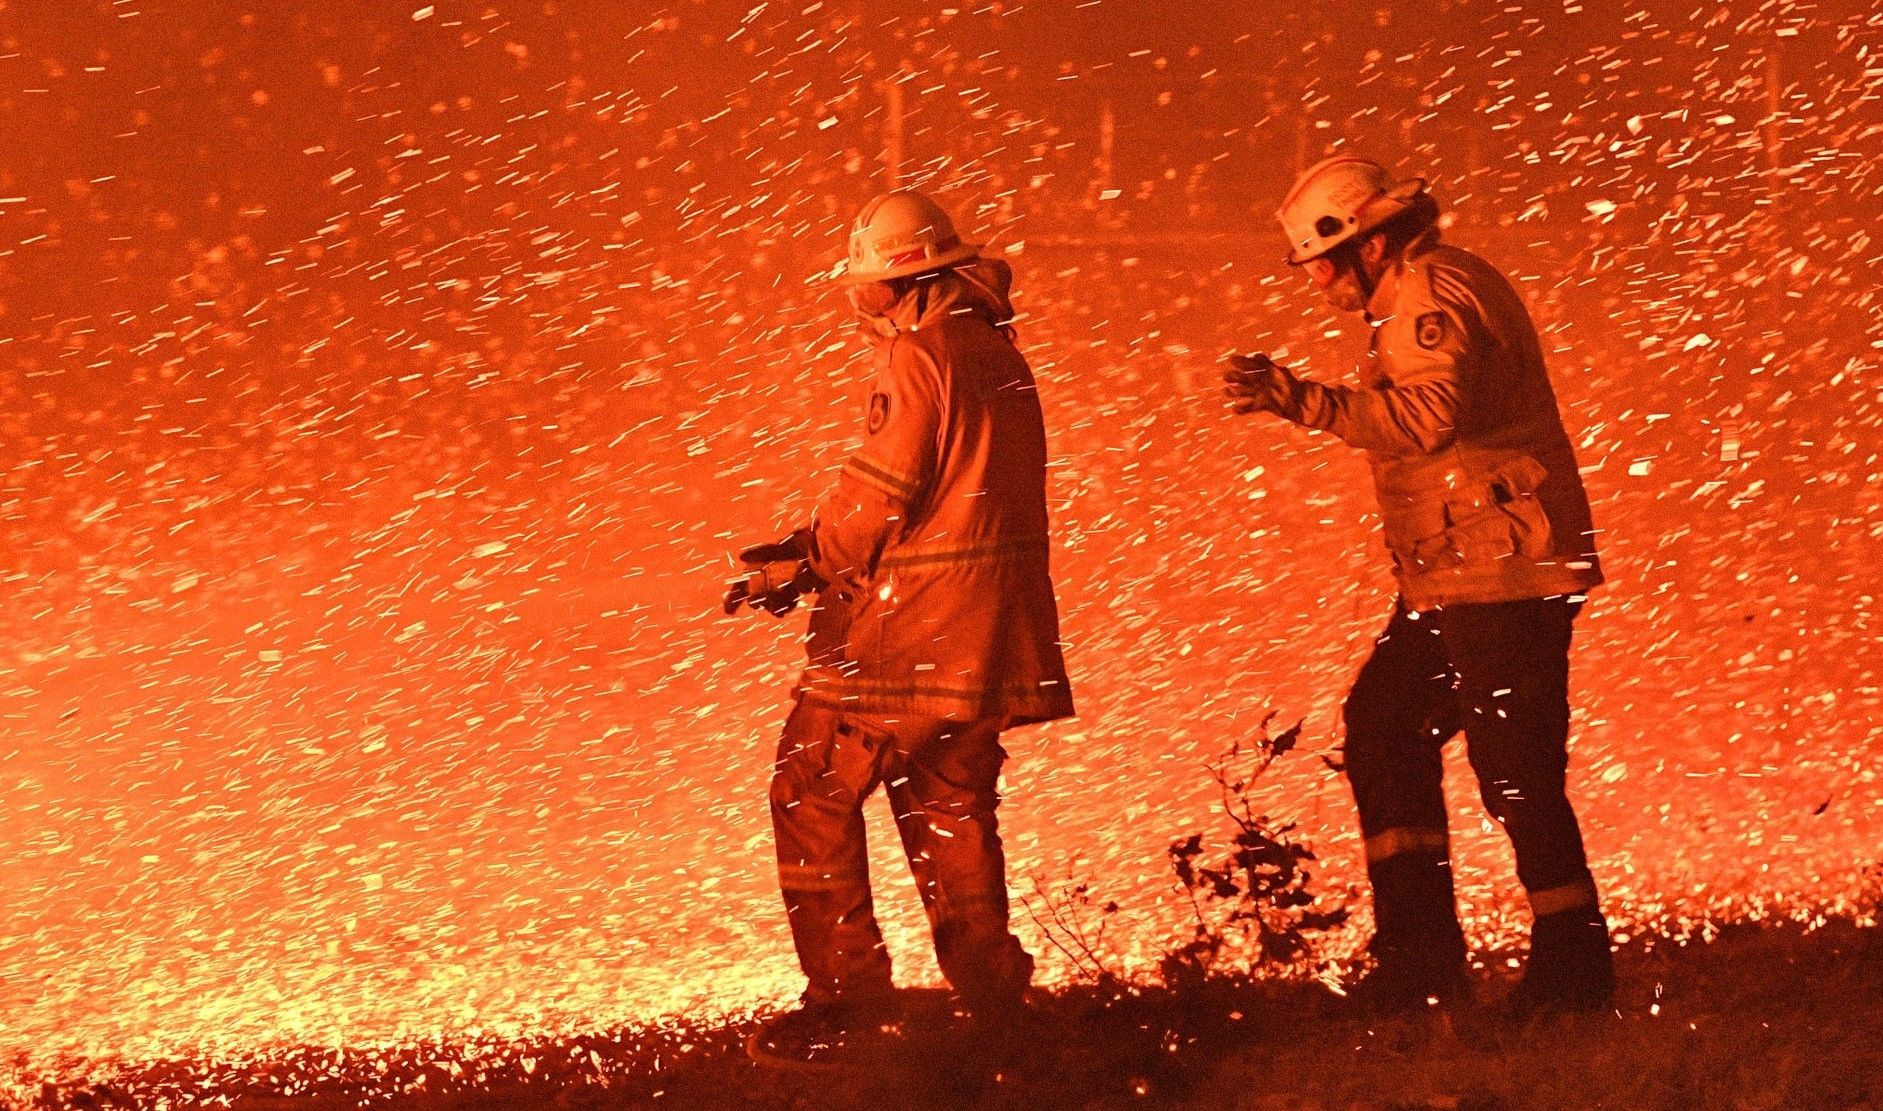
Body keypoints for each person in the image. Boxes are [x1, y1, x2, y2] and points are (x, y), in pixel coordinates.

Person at [1222, 155, 1613, 1017]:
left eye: (1325, 258)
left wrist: (1297, 398)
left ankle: (1573, 969)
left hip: (1503, 575)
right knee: (1385, 726)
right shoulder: (1428, 291)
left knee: (1515, 771)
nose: (1317, 278)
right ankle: (1419, 957)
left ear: (1372, 242)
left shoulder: (1433, 298)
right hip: (1462, 574)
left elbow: (1426, 422)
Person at [724, 188, 1074, 1065]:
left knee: (809, 787)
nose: (853, 297)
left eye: (862, 280)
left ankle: (848, 1002)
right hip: (984, 638)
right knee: (949, 804)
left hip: (903, 637)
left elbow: (881, 498)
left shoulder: (917, 358)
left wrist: (803, 561)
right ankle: (996, 1004)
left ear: (895, 280)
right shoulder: (998, 353)